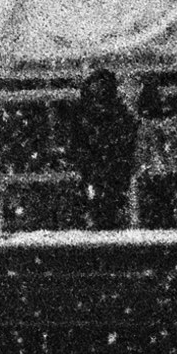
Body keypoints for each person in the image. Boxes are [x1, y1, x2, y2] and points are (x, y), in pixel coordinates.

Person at [69, 62, 141, 234]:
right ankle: (105, 218)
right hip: (105, 164)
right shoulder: (109, 112)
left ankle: (103, 219)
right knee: (106, 192)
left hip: (106, 164)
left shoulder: (94, 112)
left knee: (106, 193)